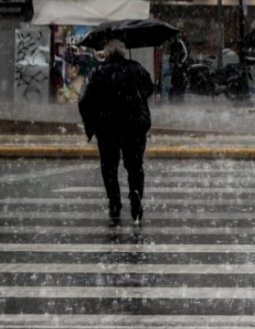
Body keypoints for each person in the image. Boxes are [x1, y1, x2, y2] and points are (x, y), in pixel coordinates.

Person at [79, 40, 155, 227]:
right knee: (135, 165)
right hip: (134, 127)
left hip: (107, 128)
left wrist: (90, 126)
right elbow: (149, 88)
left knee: (109, 166)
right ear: (122, 53)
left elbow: (84, 100)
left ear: (106, 53)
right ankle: (136, 191)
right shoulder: (137, 68)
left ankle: (114, 201)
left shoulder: (97, 73)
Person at [167, 30, 191, 100]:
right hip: (176, 66)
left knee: (179, 82)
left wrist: (180, 62)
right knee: (176, 82)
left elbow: (186, 53)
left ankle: (179, 97)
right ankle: (177, 97)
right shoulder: (174, 44)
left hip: (180, 67)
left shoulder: (180, 43)